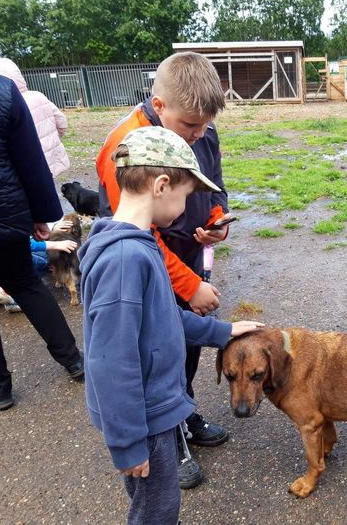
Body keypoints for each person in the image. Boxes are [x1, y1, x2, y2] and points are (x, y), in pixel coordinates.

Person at [79, 126, 262, 525]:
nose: (185, 208)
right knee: (157, 509)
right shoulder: (127, 260)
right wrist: (128, 442)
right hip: (143, 418)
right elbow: (111, 361)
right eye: (185, 196)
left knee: (156, 503)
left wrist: (222, 332)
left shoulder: (137, 244)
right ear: (161, 185)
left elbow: (164, 317)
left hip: (154, 408)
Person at [96, 51, 232, 489]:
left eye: (205, 127)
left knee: (181, 345)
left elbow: (215, 187)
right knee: (153, 349)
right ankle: (166, 435)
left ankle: (183, 412)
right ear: (159, 105)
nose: (199, 135)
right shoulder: (126, 148)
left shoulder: (200, 130)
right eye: (190, 126)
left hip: (189, 253)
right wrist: (190, 285)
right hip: (154, 268)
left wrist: (215, 222)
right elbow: (137, 233)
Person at [0, 0, 84, 411]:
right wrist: (40, 216)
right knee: (25, 284)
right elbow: (30, 161)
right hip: (0, 212)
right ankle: (72, 360)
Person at [0, 57, 70, 178]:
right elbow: (62, 123)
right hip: (50, 160)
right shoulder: (38, 96)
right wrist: (52, 139)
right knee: (49, 189)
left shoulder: (6, 104)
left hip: (28, 165)